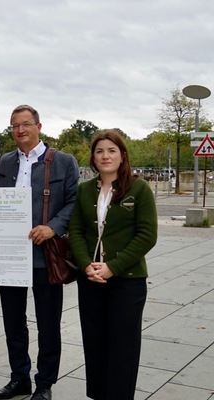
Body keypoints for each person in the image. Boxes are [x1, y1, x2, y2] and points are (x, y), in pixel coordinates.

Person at [0, 105, 79, 400]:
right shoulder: (5, 161)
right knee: (13, 322)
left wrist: (52, 227)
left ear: (39, 126)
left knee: (48, 323)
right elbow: (0, 201)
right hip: (11, 256)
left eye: (26, 124)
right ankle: (19, 378)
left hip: (46, 257)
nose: (20, 130)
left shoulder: (63, 161)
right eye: (14, 126)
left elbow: (73, 202)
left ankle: (44, 383)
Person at [68, 130, 157, 400]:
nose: (105, 156)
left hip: (127, 279)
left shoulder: (138, 188)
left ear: (122, 155)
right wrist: (86, 265)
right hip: (91, 279)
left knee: (123, 346)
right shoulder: (84, 189)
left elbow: (147, 235)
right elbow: (76, 231)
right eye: (99, 151)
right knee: (94, 342)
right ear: (93, 158)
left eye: (111, 151)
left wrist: (113, 267)